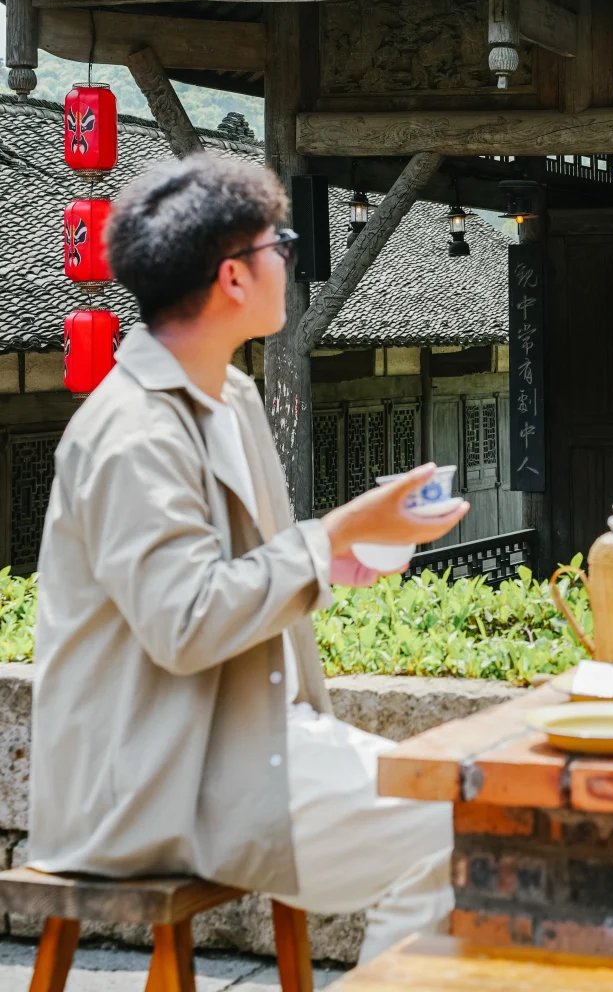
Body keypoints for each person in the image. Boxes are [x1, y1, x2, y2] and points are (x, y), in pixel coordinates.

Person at [28, 155, 469, 963]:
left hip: (247, 739)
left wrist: (342, 559)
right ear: (234, 277)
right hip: (159, 776)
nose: (290, 260)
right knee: (465, 831)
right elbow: (186, 623)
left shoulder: (226, 395)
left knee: (471, 810)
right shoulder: (133, 432)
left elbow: (250, 570)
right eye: (282, 244)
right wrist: (329, 536)